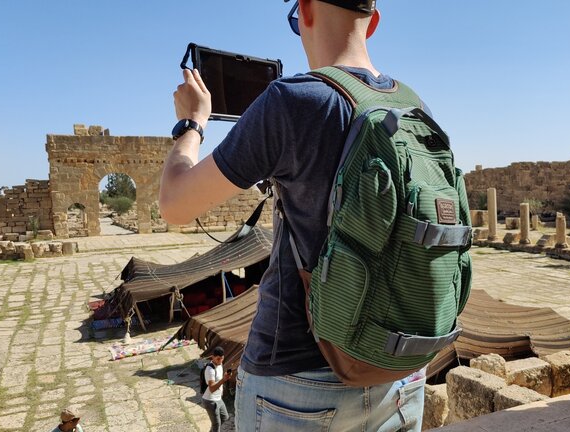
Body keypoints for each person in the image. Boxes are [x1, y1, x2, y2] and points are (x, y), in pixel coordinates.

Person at [160, 1, 426, 430]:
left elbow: (175, 203)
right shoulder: (414, 106)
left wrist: (190, 125)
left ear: (304, 11)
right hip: (402, 370)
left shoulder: (290, 100)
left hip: (299, 380)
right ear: (373, 22)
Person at [202, 346, 232, 432]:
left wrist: (225, 377)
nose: (220, 361)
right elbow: (211, 388)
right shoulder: (210, 369)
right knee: (216, 424)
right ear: (212, 357)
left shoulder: (220, 364)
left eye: (222, 359)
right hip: (210, 400)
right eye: (218, 359)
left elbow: (219, 380)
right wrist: (223, 380)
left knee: (225, 417)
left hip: (218, 398)